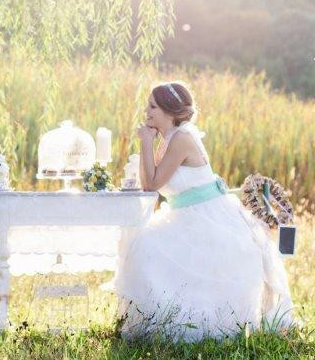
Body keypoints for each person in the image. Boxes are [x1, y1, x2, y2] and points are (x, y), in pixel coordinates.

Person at [114, 81, 294, 341]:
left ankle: (180, 325)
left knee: (146, 245)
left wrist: (144, 142)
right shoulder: (168, 139)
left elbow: (151, 184)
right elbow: (149, 183)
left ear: (169, 110)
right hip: (182, 214)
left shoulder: (182, 138)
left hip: (204, 217)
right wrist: (149, 142)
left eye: (152, 106)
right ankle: (157, 321)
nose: (147, 111)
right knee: (142, 243)